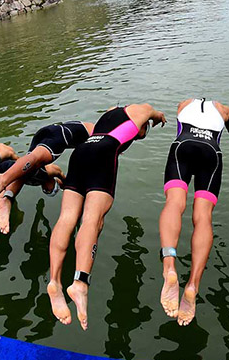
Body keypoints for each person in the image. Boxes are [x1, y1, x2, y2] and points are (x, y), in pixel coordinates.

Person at [47, 103, 166, 330]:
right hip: (104, 152)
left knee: (67, 218)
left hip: (81, 152)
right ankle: (80, 282)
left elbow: (115, 110)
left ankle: (54, 281)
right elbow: (155, 113)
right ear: (143, 127)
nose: (139, 136)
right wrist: (158, 117)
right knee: (92, 220)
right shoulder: (141, 111)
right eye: (142, 133)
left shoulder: (108, 115)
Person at [159, 98, 229, 326]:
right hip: (211, 152)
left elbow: (178, 120)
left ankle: (169, 266)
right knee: (203, 215)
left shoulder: (183, 104)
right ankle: (193, 284)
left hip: (182, 147)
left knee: (175, 203)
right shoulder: (225, 110)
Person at [0, 160, 64, 261]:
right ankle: (6, 199)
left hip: (5, 169)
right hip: (13, 169)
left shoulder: (38, 180)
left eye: (46, 191)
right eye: (51, 190)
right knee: (12, 186)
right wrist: (66, 185)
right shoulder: (49, 171)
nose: (46, 189)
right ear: (54, 182)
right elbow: (60, 174)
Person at [0, 120, 94, 209]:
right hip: (61, 135)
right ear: (53, 184)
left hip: (46, 133)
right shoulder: (51, 171)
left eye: (46, 191)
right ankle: (2, 180)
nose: (46, 189)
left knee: (26, 171)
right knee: (34, 160)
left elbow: (64, 180)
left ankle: (6, 195)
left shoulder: (42, 176)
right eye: (49, 190)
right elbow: (63, 179)